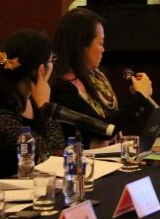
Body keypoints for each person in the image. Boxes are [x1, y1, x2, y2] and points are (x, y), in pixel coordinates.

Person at [0, 30, 65, 183]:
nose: (53, 65)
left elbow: (58, 152)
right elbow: (47, 156)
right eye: (52, 60)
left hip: (24, 187)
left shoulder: (29, 99)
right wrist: (45, 108)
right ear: (41, 70)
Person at [50, 8, 153, 147]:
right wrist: (139, 97)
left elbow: (115, 120)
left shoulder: (96, 79)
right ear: (82, 46)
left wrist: (136, 97)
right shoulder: (62, 87)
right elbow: (104, 129)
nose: (103, 49)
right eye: (100, 43)